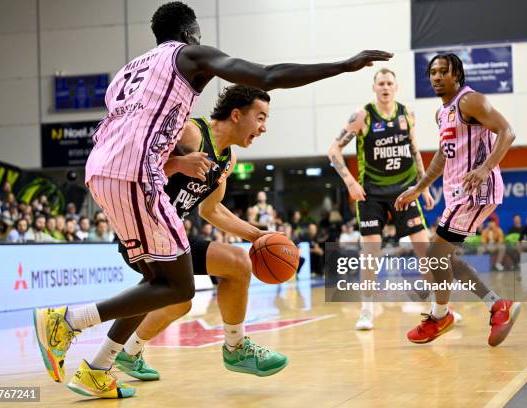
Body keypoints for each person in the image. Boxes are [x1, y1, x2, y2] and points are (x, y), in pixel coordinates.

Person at [32, 1, 393, 399]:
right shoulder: (188, 56)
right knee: (179, 289)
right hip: (136, 170)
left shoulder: (130, 71)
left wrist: (255, 231)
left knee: (166, 285)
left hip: (104, 167)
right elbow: (267, 75)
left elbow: (201, 198)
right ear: (190, 34)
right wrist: (343, 65)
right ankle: (65, 321)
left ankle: (97, 368)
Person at [109, 85, 288, 389]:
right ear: (236, 115)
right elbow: (138, 167)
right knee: (233, 264)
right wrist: (178, 163)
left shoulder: (227, 160)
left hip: (170, 235)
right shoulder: (190, 133)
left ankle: (129, 353)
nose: (263, 128)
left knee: (185, 300)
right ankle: (236, 348)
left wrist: (258, 234)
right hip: (140, 229)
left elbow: (211, 210)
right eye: (260, 118)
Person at [395, 53, 520, 346]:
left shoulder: (470, 101)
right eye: (433, 72)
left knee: (435, 255)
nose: (436, 77)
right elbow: (442, 155)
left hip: (477, 189)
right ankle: (497, 305)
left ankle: (441, 315)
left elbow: (507, 132)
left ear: (457, 75)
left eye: (443, 72)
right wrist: (418, 187)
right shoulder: (442, 113)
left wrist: (485, 167)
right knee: (445, 257)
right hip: (457, 193)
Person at [327, 68, 447, 330]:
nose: (385, 87)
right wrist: (349, 181)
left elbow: (414, 150)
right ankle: (367, 311)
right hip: (371, 192)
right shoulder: (362, 116)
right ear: (374, 87)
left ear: (396, 87)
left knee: (424, 251)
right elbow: (333, 149)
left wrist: (423, 186)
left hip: (405, 190)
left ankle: (440, 308)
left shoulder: (407, 114)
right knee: (371, 252)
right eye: (380, 83)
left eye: (389, 83)